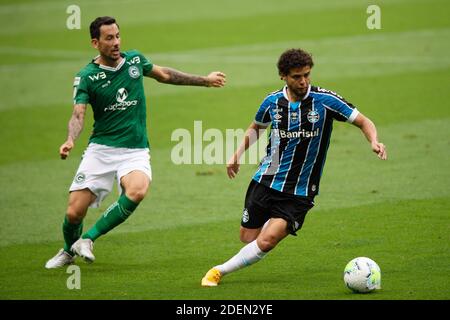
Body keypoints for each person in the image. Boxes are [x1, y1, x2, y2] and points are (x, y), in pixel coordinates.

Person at [45, 16, 226, 269]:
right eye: (109, 38)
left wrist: (204, 80)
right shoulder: (87, 76)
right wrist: (69, 140)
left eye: (118, 36)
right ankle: (68, 250)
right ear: (95, 43)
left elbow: (165, 75)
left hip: (135, 150)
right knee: (74, 212)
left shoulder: (134, 61)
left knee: (137, 190)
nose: (116, 42)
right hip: (101, 149)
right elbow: (78, 114)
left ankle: (87, 239)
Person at [201, 48, 386, 286]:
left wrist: (373, 141)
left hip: (299, 191)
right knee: (248, 238)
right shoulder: (272, 102)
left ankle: (217, 271)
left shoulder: (325, 101)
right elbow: (256, 127)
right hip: (266, 179)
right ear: (283, 76)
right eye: (297, 77)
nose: (303, 81)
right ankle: (272, 225)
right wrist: (237, 154)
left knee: (267, 240)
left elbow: (363, 121)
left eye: (307, 75)